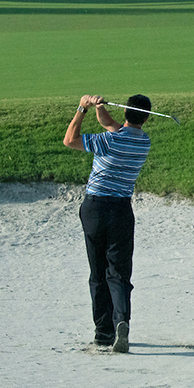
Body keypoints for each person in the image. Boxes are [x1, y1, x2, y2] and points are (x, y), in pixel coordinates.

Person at [63, 94, 152, 352]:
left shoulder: (108, 141)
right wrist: (100, 110)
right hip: (121, 211)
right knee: (119, 273)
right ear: (146, 118)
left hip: (95, 209)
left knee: (98, 272)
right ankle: (121, 321)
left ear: (125, 112)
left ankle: (103, 333)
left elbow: (70, 140)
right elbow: (113, 125)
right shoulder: (143, 141)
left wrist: (82, 108)